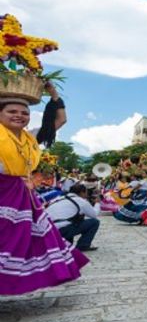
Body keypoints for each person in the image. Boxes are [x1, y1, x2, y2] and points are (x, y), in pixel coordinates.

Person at [0, 93, 89, 295]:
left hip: (22, 196)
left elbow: (60, 120)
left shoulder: (30, 137)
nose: (19, 116)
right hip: (3, 193)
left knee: (26, 240)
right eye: (11, 111)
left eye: (24, 112)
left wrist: (55, 95)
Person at [46, 184, 100, 252]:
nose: (87, 194)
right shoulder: (81, 201)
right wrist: (97, 203)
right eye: (86, 192)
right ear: (82, 192)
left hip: (48, 230)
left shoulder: (58, 198)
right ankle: (83, 245)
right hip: (61, 230)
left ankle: (65, 243)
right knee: (94, 222)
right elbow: (94, 215)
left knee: (72, 220)